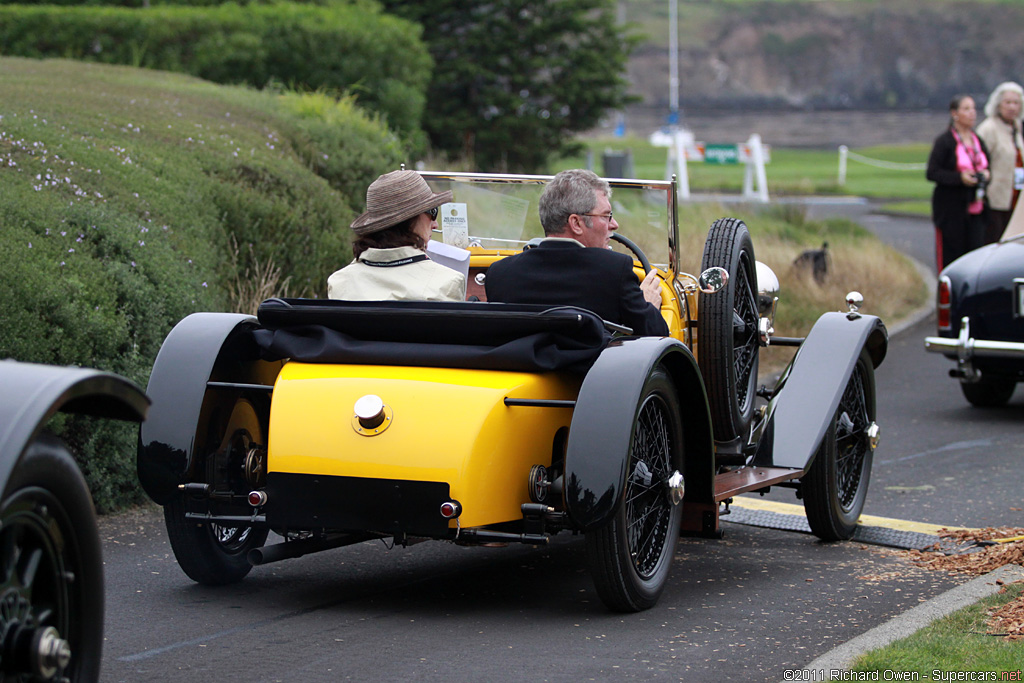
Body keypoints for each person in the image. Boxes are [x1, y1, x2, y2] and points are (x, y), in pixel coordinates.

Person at [484, 169, 669, 336]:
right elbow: (656, 335)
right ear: (576, 223)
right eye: (606, 216)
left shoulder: (499, 273)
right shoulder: (615, 270)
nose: (614, 225)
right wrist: (649, 306)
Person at [327, 170, 466, 301]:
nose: (435, 224)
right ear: (410, 221)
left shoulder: (339, 282)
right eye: (432, 211)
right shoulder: (447, 283)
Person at [926, 94, 991, 271]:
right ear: (954, 113)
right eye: (966, 109)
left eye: (973, 109)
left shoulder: (978, 140)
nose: (972, 113)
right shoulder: (945, 141)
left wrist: (985, 174)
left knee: (976, 259)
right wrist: (959, 178)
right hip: (952, 211)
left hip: (976, 210)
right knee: (952, 259)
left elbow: (987, 164)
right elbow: (932, 172)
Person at [976, 81, 1024, 244]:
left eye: (1016, 103)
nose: (1012, 107)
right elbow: (979, 161)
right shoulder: (989, 129)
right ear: (998, 104)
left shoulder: (1016, 127)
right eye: (1008, 102)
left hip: (1015, 197)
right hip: (995, 199)